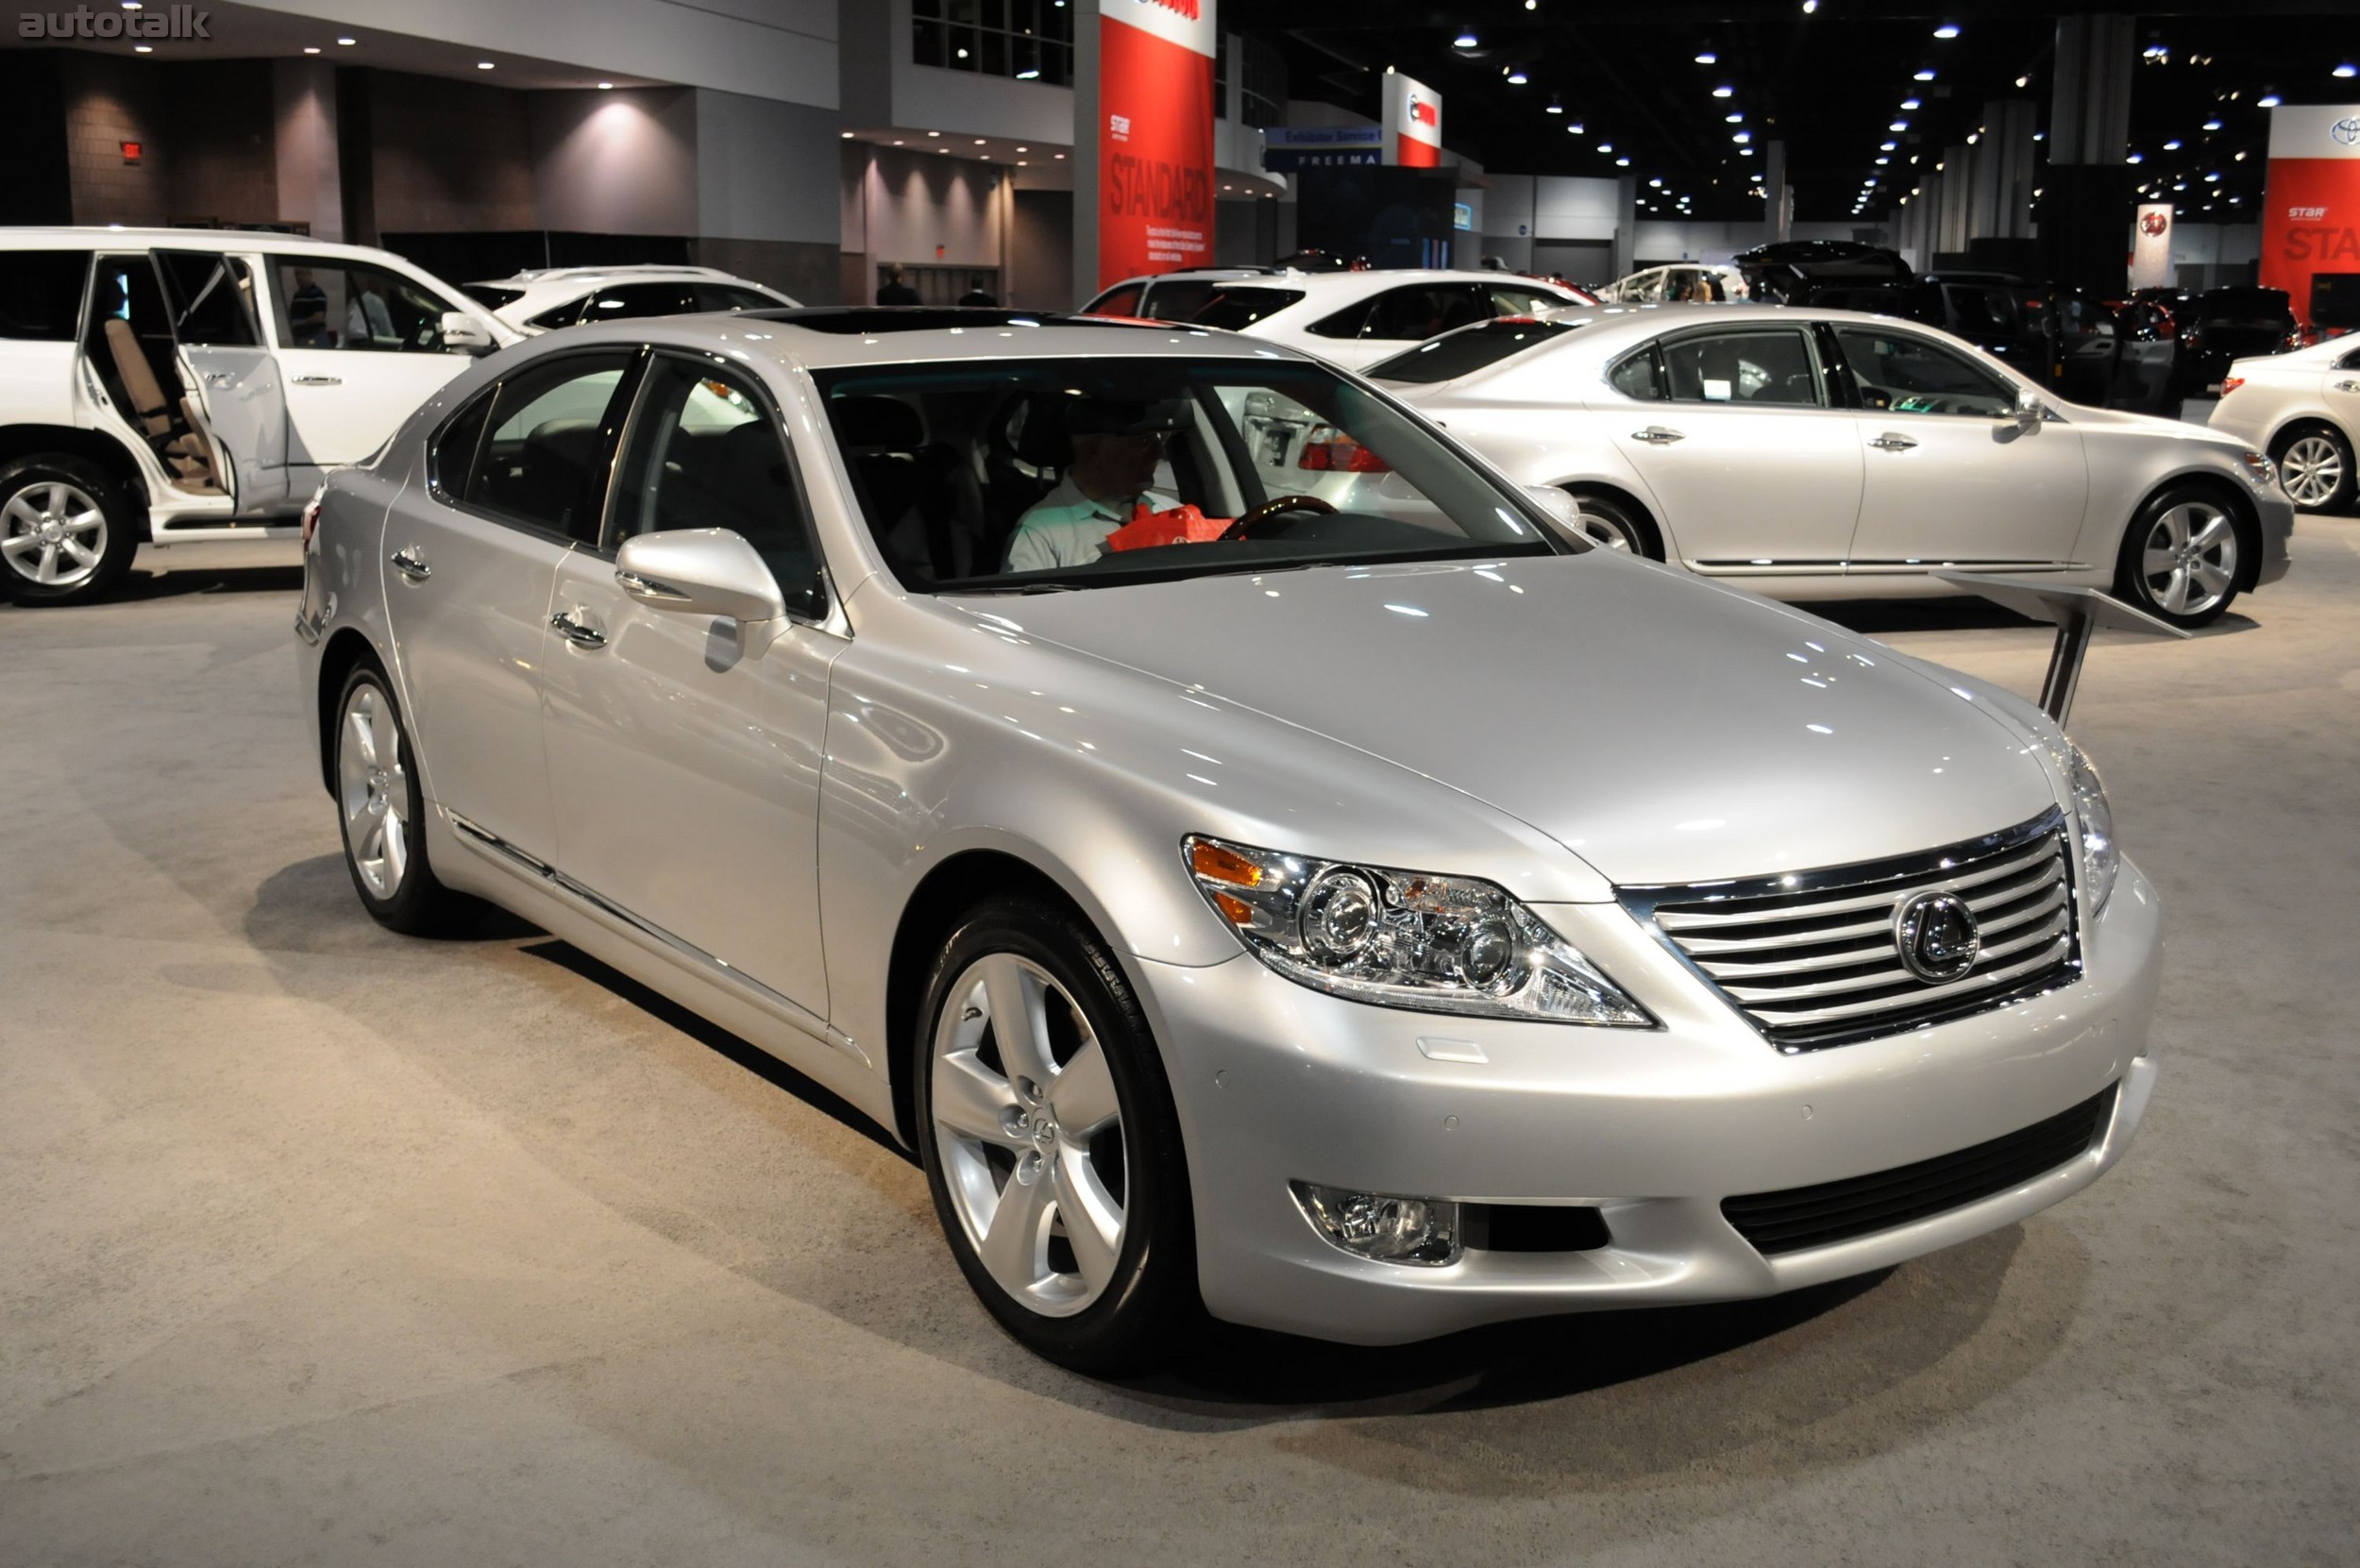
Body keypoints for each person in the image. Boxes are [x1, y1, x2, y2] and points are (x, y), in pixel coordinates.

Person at [1003, 399, 1182, 572]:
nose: (1159, 453)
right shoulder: (1039, 535)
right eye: (1143, 441)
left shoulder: (1175, 513)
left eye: (1159, 440)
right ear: (1094, 450)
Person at [287, 267, 331, 346]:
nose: (298, 277)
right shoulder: (297, 296)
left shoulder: (317, 293)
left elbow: (318, 318)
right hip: (300, 337)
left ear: (309, 274)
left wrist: (298, 323)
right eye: (296, 274)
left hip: (314, 337)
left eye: (301, 274)